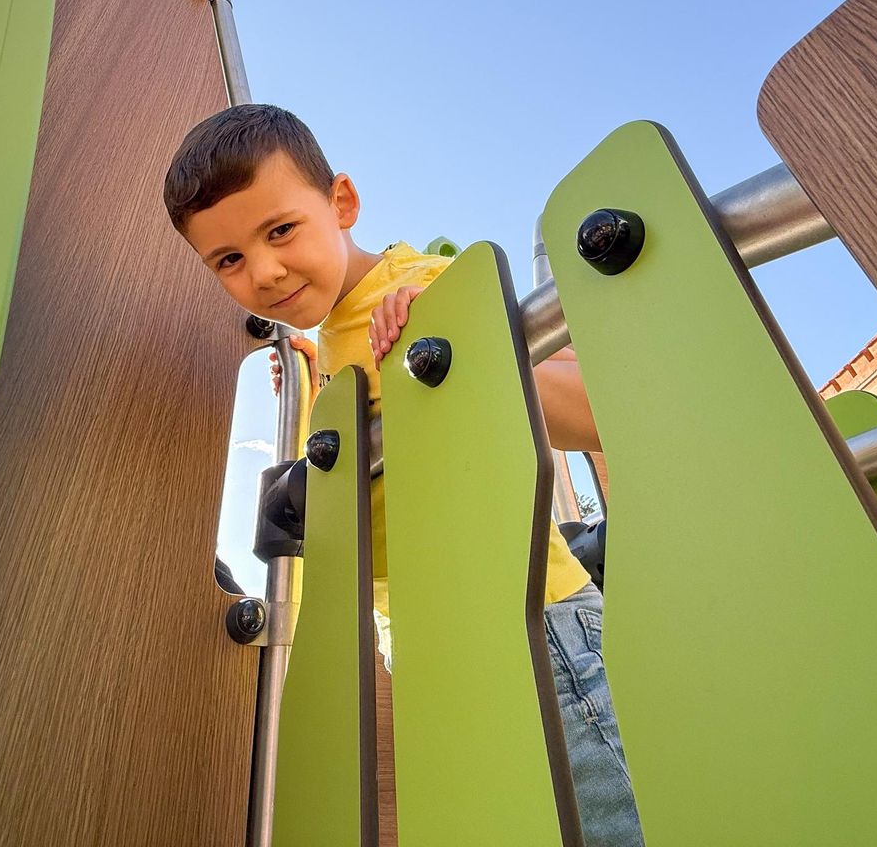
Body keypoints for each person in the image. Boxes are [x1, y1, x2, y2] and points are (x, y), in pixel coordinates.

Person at [163, 103, 643, 846]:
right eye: (227, 259)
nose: (263, 271)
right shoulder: (327, 357)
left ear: (342, 204)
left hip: (530, 624)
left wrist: (464, 347)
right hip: (423, 649)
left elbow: (596, 405)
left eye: (280, 230)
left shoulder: (419, 290)